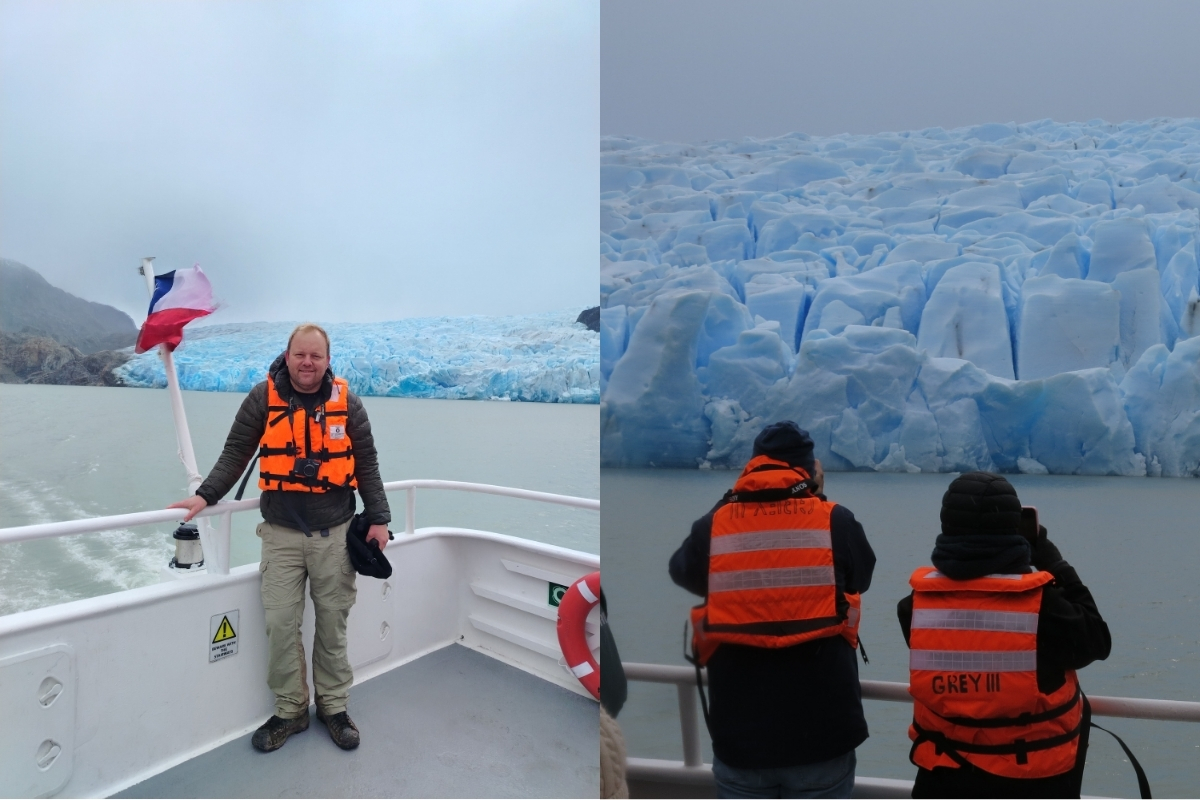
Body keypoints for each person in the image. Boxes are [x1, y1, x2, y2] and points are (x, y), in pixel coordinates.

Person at [169, 323, 391, 753]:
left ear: (328, 360)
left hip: (335, 535)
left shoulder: (349, 405)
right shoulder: (262, 398)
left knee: (333, 623)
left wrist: (379, 517)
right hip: (281, 536)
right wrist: (204, 495)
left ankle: (333, 706)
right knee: (279, 623)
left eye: (316, 356)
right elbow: (236, 452)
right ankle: (290, 710)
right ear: (287, 356)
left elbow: (366, 463)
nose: (307, 363)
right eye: (300, 355)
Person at [669, 421, 876, 799]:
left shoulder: (713, 526)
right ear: (811, 469)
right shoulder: (836, 520)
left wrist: (731, 502)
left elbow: (684, 572)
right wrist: (816, 498)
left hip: (741, 740)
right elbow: (860, 575)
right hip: (823, 737)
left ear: (753, 467)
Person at [897, 472, 1111, 799]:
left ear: (947, 525)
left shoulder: (915, 609)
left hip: (944, 778)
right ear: (1014, 528)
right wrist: (1053, 562)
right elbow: (1097, 640)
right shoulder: (1044, 609)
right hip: (1032, 781)